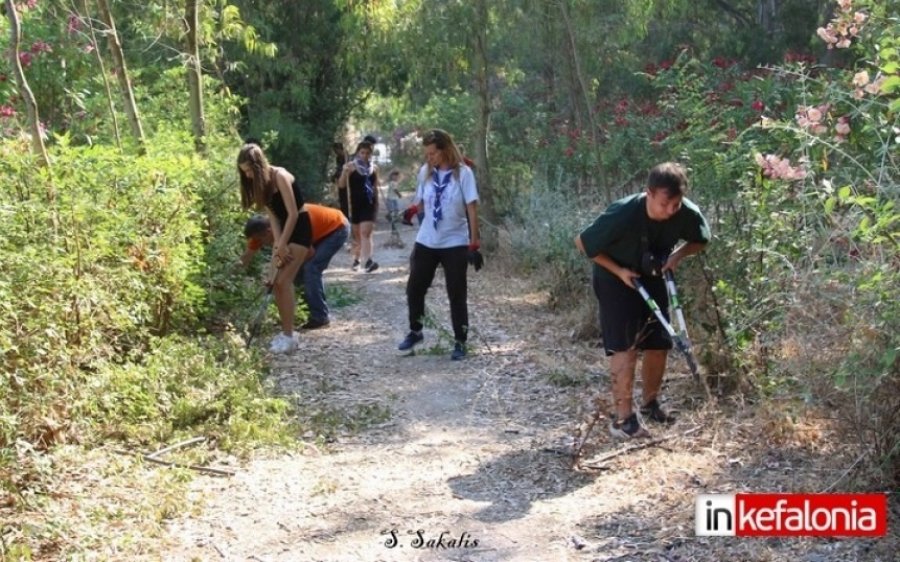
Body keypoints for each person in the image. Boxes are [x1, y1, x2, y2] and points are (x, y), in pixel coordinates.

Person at [574, 162, 710, 439]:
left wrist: (676, 257)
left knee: (659, 342)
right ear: (648, 193)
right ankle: (623, 420)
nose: (671, 210)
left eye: (676, 204)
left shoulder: (686, 212)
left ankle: (650, 404)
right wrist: (620, 272)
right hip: (615, 278)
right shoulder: (623, 213)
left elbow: (701, 239)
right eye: (664, 204)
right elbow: (583, 244)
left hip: (652, 275)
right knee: (625, 346)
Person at [397, 129, 483, 361]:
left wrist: (474, 243)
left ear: (445, 150)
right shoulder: (426, 172)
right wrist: (413, 210)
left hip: (454, 240)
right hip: (427, 239)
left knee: (456, 292)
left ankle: (460, 341)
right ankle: (416, 331)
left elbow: (472, 208)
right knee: (415, 287)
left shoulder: (463, 174)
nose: (429, 158)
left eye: (433, 153)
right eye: (426, 154)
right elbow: (422, 201)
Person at [237, 142, 311, 354]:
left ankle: (290, 337)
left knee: (283, 280)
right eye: (245, 172)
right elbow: (274, 217)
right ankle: (286, 332)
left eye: (250, 170)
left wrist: (284, 244)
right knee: (274, 283)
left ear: (259, 165)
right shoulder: (262, 185)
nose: (248, 176)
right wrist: (279, 245)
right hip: (283, 232)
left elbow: (293, 213)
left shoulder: (280, 176)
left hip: (300, 228)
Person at [241, 205, 349, 329]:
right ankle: (308, 310)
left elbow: (308, 253)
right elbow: (246, 257)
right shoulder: (261, 233)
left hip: (337, 227)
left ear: (268, 232)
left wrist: (280, 268)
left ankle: (320, 316)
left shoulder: (290, 228)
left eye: (261, 240)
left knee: (310, 269)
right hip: (319, 230)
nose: (261, 244)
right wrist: (232, 273)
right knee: (295, 273)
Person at [338, 140, 380, 273]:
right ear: (358, 152)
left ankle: (367, 261)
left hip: (369, 203)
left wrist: (377, 204)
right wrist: (344, 173)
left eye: (368, 153)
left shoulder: (374, 168)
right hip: (354, 204)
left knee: (365, 233)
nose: (365, 155)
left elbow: (375, 187)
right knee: (357, 235)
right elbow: (341, 185)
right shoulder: (350, 166)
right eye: (362, 152)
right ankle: (357, 259)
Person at [331, 142, 349, 218]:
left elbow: (343, 168)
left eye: (336, 150)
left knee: (345, 198)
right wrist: (335, 176)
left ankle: (346, 214)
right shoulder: (338, 157)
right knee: (342, 198)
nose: (336, 152)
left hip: (346, 180)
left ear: (340, 149)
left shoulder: (346, 157)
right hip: (340, 179)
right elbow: (338, 168)